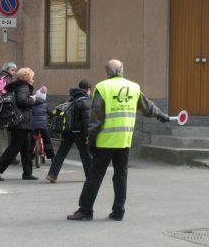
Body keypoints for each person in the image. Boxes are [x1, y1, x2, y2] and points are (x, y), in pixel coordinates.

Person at [67, 59, 170, 221]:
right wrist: (162, 116)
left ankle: (85, 210)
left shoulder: (103, 87)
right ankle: (118, 211)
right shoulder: (134, 87)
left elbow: (96, 118)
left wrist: (91, 141)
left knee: (95, 176)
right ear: (122, 70)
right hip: (124, 140)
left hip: (105, 141)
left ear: (107, 72)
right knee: (121, 176)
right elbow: (148, 107)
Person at [0, 67, 38, 181]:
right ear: (28, 78)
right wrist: (33, 99)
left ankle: (27, 173)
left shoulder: (16, 87)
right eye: (32, 77)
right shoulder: (23, 87)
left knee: (26, 149)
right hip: (21, 122)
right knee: (14, 148)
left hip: (21, 121)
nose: (33, 80)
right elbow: (21, 101)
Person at [46, 79, 93, 183]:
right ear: (88, 89)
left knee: (61, 153)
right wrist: (87, 135)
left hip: (67, 131)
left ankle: (52, 175)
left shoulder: (71, 98)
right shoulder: (85, 101)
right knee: (85, 154)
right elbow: (86, 121)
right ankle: (90, 177)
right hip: (79, 132)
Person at [0, 62, 20, 164]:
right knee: (10, 133)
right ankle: (9, 157)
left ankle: (0, 158)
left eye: (15, 70)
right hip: (6, 111)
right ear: (7, 69)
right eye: (12, 70)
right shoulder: (7, 79)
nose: (14, 72)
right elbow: (12, 95)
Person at [31, 86, 55, 160]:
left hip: (33, 125)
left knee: (31, 140)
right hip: (43, 126)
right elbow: (51, 113)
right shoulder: (45, 105)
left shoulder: (31, 103)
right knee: (47, 140)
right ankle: (51, 156)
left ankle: (30, 156)